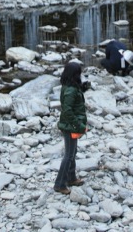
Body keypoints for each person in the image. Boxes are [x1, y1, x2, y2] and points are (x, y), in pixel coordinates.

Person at [54, 60, 88, 195]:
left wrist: (83, 88)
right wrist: (78, 125)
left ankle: (71, 178)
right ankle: (60, 184)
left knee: (72, 153)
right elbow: (67, 110)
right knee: (68, 155)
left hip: (70, 125)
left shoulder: (69, 85)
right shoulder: (70, 90)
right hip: (70, 126)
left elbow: (73, 99)